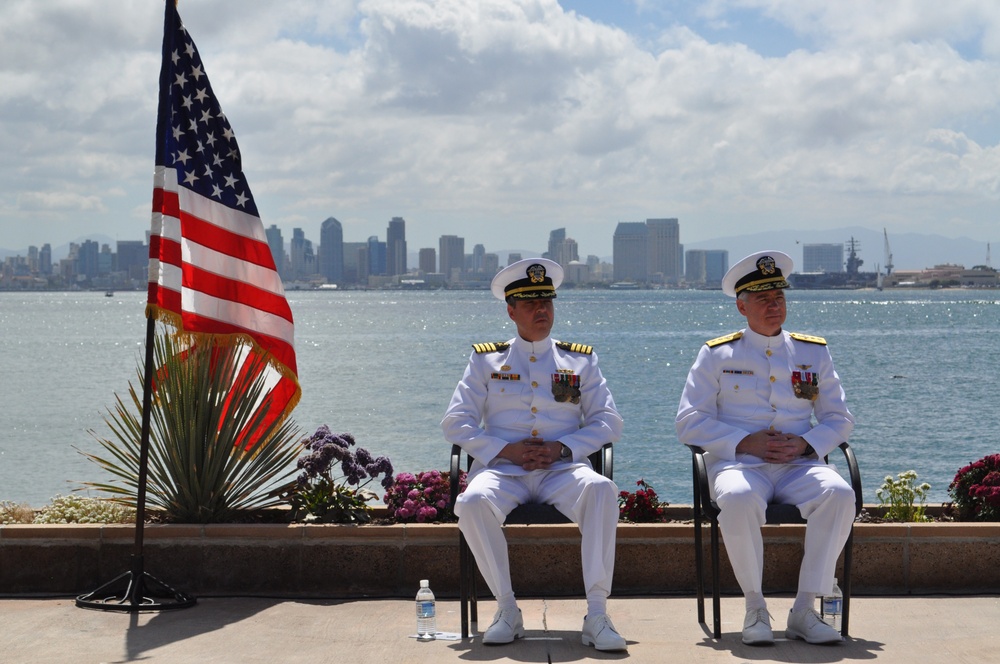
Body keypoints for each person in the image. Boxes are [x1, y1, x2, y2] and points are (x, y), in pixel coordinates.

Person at [442, 258, 627, 652]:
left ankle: (597, 614)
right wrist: (502, 449)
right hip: (505, 470)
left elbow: (609, 422)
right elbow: (455, 423)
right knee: (471, 502)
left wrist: (564, 447)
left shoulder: (579, 359)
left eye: (546, 302)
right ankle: (507, 610)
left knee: (602, 490)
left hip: (561, 469)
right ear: (511, 311)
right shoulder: (485, 360)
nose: (541, 310)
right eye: (530, 304)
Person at [675, 250, 856, 646]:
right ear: (742, 306)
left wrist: (806, 444)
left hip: (798, 465)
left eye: (779, 298)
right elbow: (688, 421)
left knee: (841, 494)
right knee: (737, 498)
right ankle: (755, 606)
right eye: (763, 299)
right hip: (740, 464)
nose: (774, 306)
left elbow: (840, 419)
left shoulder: (813, 351)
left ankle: (805, 608)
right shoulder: (717, 353)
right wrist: (744, 441)